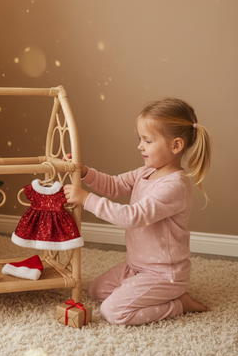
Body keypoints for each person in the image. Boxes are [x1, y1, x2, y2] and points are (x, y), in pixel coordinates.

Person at [63, 97, 211, 326]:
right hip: (136, 267)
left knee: (113, 312)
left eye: (148, 140)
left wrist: (86, 199)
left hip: (164, 274)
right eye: (140, 139)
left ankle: (179, 303)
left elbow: (133, 217)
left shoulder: (174, 186)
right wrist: (84, 173)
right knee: (96, 290)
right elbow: (113, 185)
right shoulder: (146, 172)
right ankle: (149, 293)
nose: (140, 146)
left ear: (176, 146)